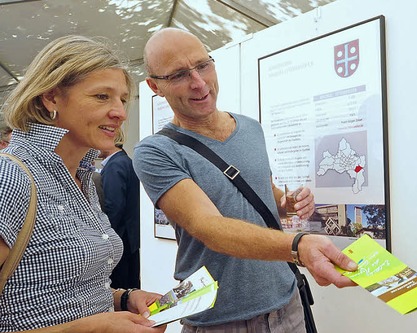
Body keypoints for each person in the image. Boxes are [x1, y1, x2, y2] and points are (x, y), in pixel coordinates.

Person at [134, 27, 357, 332]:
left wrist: (287, 203)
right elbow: (210, 228)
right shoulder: (156, 151)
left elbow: (266, 193)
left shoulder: (251, 128)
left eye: (203, 66)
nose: (199, 83)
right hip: (220, 319)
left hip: (287, 304)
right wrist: (298, 245)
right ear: (154, 86)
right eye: (178, 75)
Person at [0, 35, 165, 332]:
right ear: (51, 97)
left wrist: (125, 299)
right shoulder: (9, 178)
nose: (120, 112)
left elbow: (61, 293)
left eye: (122, 99)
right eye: (102, 96)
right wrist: (90, 328)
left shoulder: (83, 177)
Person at [99, 128, 141, 289]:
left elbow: (113, 207)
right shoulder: (125, 161)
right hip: (129, 238)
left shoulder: (115, 166)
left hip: (120, 237)